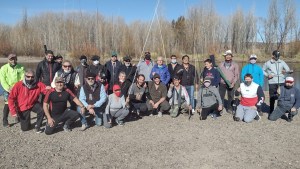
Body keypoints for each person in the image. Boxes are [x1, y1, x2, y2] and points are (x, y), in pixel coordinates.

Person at [0, 54, 25, 127]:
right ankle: (5, 121)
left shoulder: (21, 67)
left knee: (18, 103)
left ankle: (18, 117)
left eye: (14, 59)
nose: (13, 60)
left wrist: (16, 88)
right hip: (7, 88)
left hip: (17, 88)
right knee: (7, 104)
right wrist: (8, 88)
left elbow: (22, 78)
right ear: (8, 60)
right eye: (11, 59)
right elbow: (2, 80)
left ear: (16, 59)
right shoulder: (3, 68)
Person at [218, 50, 240, 114]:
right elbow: (218, 74)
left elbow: (236, 75)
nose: (228, 57)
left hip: (231, 84)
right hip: (222, 83)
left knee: (230, 96)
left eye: (229, 55)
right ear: (225, 56)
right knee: (221, 96)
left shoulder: (235, 65)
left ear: (231, 56)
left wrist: (233, 83)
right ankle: (221, 108)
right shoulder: (221, 64)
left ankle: (229, 108)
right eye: (226, 55)